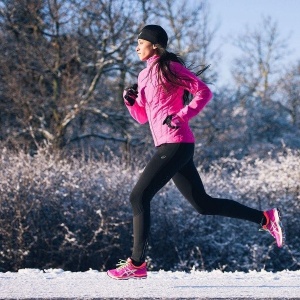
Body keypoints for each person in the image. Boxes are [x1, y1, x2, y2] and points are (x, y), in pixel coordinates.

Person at [107, 25, 283, 280]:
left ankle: (136, 264)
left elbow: (204, 91)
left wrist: (181, 115)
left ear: (155, 45)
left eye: (140, 42)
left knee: (139, 196)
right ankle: (266, 219)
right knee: (203, 204)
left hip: (176, 142)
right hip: (168, 144)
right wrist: (130, 102)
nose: (136, 47)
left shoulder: (169, 68)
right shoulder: (144, 76)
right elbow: (142, 118)